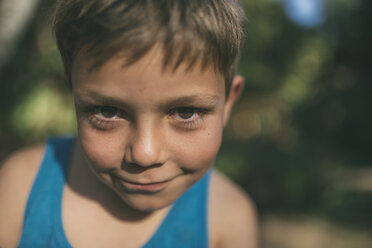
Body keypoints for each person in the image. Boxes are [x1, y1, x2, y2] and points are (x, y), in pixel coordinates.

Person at [0, 0, 258, 247]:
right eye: (108, 111)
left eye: (186, 112)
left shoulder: (227, 219)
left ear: (227, 103)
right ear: (74, 93)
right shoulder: (22, 189)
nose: (145, 154)